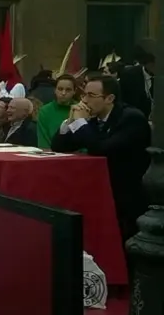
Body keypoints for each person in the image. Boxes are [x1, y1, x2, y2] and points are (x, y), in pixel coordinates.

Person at [51, 75, 151, 244]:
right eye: (84, 95)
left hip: (126, 194)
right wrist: (70, 122)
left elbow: (100, 148)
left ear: (109, 98)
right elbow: (60, 146)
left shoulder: (131, 118)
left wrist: (81, 122)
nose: (85, 100)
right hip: (99, 190)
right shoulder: (93, 119)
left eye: (91, 95)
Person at [36, 74, 78, 149]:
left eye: (68, 90)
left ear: (74, 91)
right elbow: (43, 141)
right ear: (55, 90)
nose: (63, 93)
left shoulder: (79, 109)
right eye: (60, 89)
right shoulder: (45, 111)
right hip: (51, 155)